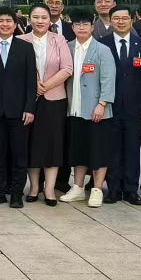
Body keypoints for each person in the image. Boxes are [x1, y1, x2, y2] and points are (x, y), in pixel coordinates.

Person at [0, 6, 37, 208]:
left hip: (19, 111)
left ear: (15, 25)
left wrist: (29, 108)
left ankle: (16, 193)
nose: (5, 24)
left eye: (9, 21)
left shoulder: (25, 48)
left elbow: (31, 81)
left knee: (19, 154)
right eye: (1, 21)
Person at [60, 12, 116, 207]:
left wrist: (102, 104)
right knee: (78, 150)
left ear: (92, 27)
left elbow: (108, 79)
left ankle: (97, 189)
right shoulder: (67, 48)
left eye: (85, 24)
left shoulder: (102, 50)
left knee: (98, 151)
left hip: (96, 110)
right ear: (72, 28)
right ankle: (77, 187)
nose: (82, 27)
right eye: (78, 24)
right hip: (74, 109)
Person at [20, 3, 71, 205]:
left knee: (52, 145)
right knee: (31, 144)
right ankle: (34, 187)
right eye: (35, 17)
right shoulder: (21, 40)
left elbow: (67, 68)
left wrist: (45, 86)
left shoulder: (59, 40)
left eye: (44, 17)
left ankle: (49, 189)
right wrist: (34, 85)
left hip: (54, 100)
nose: (39, 21)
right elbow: (17, 69)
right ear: (29, 19)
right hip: (28, 100)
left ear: (50, 20)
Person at [103, 5, 141, 205]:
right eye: (116, 18)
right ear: (110, 21)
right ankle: (113, 189)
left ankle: (131, 189)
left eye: (124, 18)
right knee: (112, 148)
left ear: (132, 20)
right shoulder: (102, 44)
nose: (120, 22)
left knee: (132, 148)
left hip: (135, 106)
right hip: (110, 105)